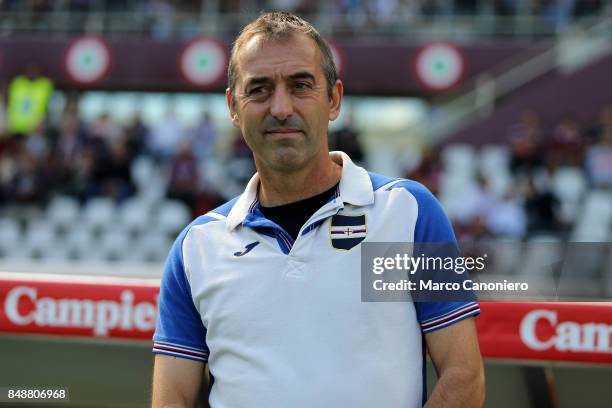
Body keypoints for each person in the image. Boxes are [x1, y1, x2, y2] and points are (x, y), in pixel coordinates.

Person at [152, 11, 484, 408]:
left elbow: (463, 376)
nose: (280, 107)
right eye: (258, 89)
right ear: (233, 108)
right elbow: (172, 399)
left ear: (334, 99)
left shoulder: (410, 213)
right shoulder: (196, 248)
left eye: (300, 85)